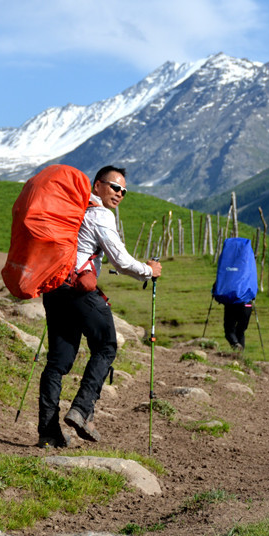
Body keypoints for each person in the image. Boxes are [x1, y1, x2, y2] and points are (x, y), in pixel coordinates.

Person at [37, 166, 162, 448]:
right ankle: (81, 410)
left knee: (57, 362)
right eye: (114, 187)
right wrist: (149, 270)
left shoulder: (71, 211)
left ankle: (48, 431)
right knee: (106, 346)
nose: (119, 193)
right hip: (79, 289)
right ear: (97, 185)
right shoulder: (100, 214)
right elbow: (121, 260)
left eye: (123, 191)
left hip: (55, 287)